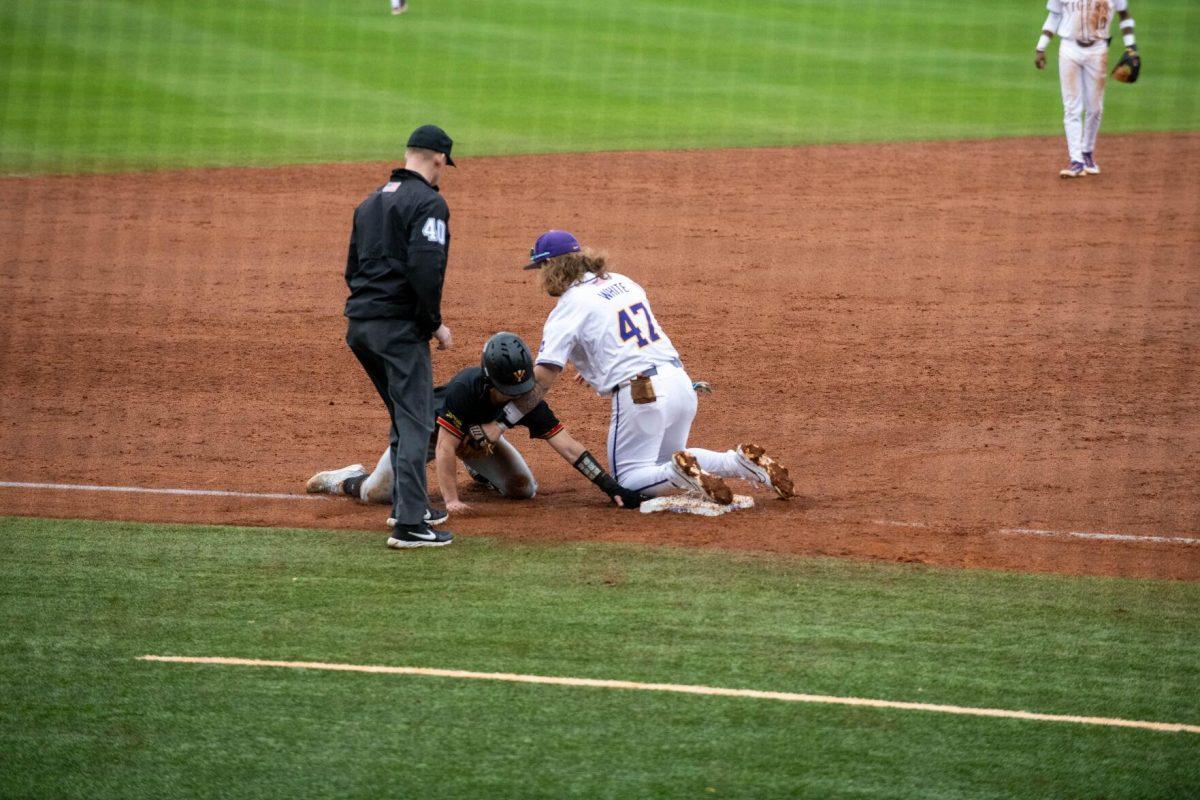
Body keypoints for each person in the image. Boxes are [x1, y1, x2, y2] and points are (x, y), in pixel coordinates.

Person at [503, 230, 794, 505]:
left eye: (541, 269)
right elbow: (618, 336)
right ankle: (738, 462)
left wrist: (505, 419)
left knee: (629, 481)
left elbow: (543, 377)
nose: (541, 278)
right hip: (679, 382)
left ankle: (678, 476)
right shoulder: (622, 281)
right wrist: (599, 368)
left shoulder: (568, 306)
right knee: (667, 460)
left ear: (553, 264)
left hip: (642, 394)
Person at [307, 333, 644, 530]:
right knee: (375, 495)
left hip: (476, 440)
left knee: (522, 489)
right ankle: (347, 478)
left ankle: (477, 467)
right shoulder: (467, 387)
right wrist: (451, 501)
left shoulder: (528, 398)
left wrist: (610, 486)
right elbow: (443, 448)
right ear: (488, 379)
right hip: (428, 434)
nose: (516, 396)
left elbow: (569, 447)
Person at [343, 124, 455, 549]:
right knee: (417, 421)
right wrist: (432, 325)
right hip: (398, 328)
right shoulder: (429, 203)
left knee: (403, 414)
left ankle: (408, 505)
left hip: (361, 326)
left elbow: (352, 269)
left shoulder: (369, 202)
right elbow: (427, 270)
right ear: (439, 158)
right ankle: (410, 524)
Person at [1034, 1, 1137, 178]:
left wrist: (1131, 46)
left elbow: (1124, 15)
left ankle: (1087, 153)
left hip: (1098, 50)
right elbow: (1054, 15)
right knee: (1072, 107)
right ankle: (1076, 161)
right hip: (1069, 48)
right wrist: (1041, 47)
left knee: (1095, 108)